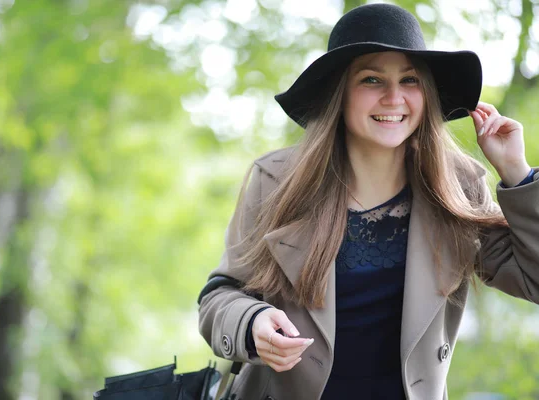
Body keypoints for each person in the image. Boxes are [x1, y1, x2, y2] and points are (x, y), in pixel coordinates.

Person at [197, 3, 539, 400]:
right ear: (339, 94)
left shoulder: (458, 187)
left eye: (409, 80)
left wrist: (518, 173)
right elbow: (219, 296)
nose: (394, 98)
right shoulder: (275, 181)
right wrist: (251, 322)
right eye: (372, 80)